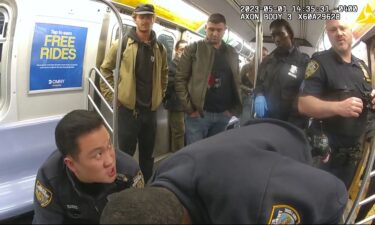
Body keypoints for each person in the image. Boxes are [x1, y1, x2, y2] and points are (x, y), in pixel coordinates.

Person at [100, 119, 348, 224]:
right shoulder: (161, 181)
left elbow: (332, 193)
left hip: (288, 144)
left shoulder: (255, 200)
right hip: (244, 142)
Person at [298, 19, 375, 188]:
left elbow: (367, 100)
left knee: (340, 199)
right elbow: (304, 104)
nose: (339, 33)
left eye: (342, 28)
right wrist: (339, 107)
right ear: (328, 34)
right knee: (318, 199)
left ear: (351, 32)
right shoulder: (320, 63)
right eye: (333, 30)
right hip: (326, 155)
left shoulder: (361, 67)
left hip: (353, 154)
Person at [32, 110, 144, 224]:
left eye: (109, 145)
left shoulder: (129, 171)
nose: (110, 161)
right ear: (71, 164)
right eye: (98, 154)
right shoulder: (50, 178)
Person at [100, 3, 168, 181]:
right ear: (135, 18)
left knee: (148, 154)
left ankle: (146, 184)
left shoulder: (160, 48)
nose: (145, 21)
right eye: (142, 17)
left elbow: (164, 74)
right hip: (128, 111)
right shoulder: (122, 43)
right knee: (125, 154)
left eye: (148, 17)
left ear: (153, 19)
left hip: (150, 111)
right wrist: (114, 97)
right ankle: (125, 185)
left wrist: (160, 95)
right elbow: (105, 69)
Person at [175, 13, 242, 145]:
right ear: (206, 28)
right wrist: (190, 109)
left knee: (213, 153)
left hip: (223, 114)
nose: (215, 34)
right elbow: (180, 79)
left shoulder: (232, 53)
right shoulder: (194, 49)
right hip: (199, 114)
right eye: (211, 29)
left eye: (219, 30)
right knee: (195, 154)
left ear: (225, 30)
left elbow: (236, 81)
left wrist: (232, 110)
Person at [254, 19, 309, 128]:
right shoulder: (267, 61)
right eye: (273, 36)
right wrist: (259, 95)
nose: (277, 39)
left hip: (291, 121)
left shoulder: (303, 61)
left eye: (281, 34)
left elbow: (306, 92)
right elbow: (259, 84)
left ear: (290, 34)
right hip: (267, 119)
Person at [163, 40, 188, 152]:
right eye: (182, 49)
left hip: (185, 104)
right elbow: (170, 83)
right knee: (179, 132)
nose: (184, 52)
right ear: (177, 51)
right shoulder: (173, 65)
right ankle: (177, 155)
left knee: (183, 131)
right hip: (176, 104)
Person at [239, 47, 268, 125]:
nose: (263, 57)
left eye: (265, 55)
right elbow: (238, 83)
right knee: (245, 120)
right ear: (256, 55)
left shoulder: (267, 70)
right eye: (261, 55)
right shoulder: (246, 67)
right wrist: (249, 90)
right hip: (247, 97)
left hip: (260, 98)